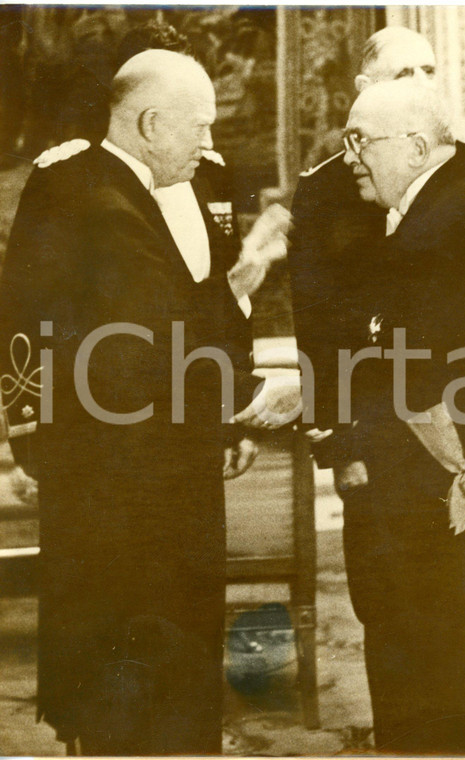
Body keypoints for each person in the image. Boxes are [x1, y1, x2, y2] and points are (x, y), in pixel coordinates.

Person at [0, 49, 289, 755]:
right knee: (131, 671)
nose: (210, 144)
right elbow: (41, 322)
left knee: (159, 657)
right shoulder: (90, 200)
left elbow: (209, 307)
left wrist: (227, 417)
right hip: (122, 482)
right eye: (200, 127)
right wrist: (253, 399)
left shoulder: (162, 181)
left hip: (160, 465)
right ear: (152, 123)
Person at [331, 79, 465, 755]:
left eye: (361, 140)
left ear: (415, 148)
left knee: (448, 681)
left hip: (444, 499)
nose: (350, 155)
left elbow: (425, 381)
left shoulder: (445, 221)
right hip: (445, 489)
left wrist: (464, 477)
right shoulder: (445, 209)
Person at [288, 25, 465, 472]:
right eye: (404, 73)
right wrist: (340, 444)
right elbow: (319, 323)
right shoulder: (327, 187)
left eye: (429, 70)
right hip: (373, 428)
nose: (422, 83)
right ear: (365, 87)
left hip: (462, 420)